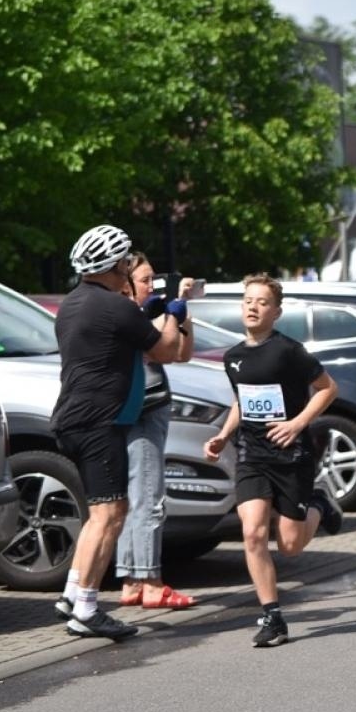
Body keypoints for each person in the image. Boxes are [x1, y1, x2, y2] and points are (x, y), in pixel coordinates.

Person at [52, 226, 188, 640]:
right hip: (99, 422)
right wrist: (174, 316)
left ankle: (72, 593)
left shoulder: (71, 304)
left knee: (101, 513)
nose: (129, 267)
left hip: (73, 419)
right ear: (114, 266)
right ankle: (88, 609)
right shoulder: (115, 306)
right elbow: (165, 350)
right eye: (126, 261)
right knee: (111, 513)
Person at [203, 274, 343, 647]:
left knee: (291, 546)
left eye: (262, 302)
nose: (252, 306)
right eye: (248, 300)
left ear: (276, 312)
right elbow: (242, 401)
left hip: (291, 456)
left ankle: (318, 504)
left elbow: (328, 388)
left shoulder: (288, 351)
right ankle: (272, 616)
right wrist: (223, 435)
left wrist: (297, 423)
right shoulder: (233, 357)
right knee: (252, 532)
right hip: (252, 455)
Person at [116, 253, 197, 610]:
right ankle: (151, 581)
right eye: (146, 280)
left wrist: (182, 318)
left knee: (136, 496)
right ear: (125, 283)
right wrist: (168, 314)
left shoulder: (145, 314)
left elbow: (182, 354)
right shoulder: (128, 316)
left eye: (154, 279)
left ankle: (133, 580)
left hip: (144, 408)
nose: (153, 286)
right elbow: (163, 355)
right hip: (144, 409)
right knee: (149, 495)